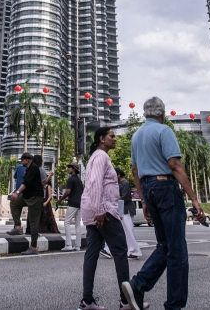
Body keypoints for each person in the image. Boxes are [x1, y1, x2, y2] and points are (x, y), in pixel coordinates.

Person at [123, 96, 205, 310]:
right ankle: (174, 305)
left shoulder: (136, 136)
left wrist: (143, 200)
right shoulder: (164, 131)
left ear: (144, 113)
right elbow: (175, 165)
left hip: (148, 189)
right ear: (162, 113)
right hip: (166, 187)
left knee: (165, 245)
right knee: (177, 250)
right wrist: (194, 199)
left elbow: (135, 170)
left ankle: (138, 285)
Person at [79, 127, 130, 310]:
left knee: (92, 252)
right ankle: (126, 302)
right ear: (102, 138)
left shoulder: (96, 156)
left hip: (94, 209)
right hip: (104, 211)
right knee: (120, 250)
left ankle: (87, 300)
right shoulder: (101, 156)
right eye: (112, 136)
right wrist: (100, 210)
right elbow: (94, 183)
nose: (115, 139)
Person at [9, 151, 42, 255]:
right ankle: (18, 227)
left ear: (27, 160)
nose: (21, 162)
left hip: (35, 198)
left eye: (22, 160)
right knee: (14, 203)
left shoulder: (34, 168)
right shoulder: (27, 169)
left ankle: (34, 246)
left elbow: (26, 182)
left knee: (33, 222)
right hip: (27, 196)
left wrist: (17, 192)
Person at [117, 169, 142, 258]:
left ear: (118, 175)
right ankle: (111, 249)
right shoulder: (118, 184)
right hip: (122, 209)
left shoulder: (125, 183)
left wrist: (116, 198)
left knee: (128, 230)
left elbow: (125, 197)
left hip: (126, 209)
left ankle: (134, 251)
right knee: (123, 230)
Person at [61, 163, 84, 252]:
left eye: (70, 167)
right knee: (77, 224)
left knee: (67, 222)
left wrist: (60, 199)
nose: (68, 169)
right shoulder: (79, 180)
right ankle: (78, 245)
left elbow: (68, 191)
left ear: (73, 169)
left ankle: (68, 244)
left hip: (72, 203)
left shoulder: (71, 179)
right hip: (80, 203)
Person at [6, 156, 28, 236]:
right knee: (16, 205)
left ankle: (17, 227)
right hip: (25, 193)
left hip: (20, 192)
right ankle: (20, 228)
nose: (21, 162)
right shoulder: (28, 168)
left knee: (16, 206)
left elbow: (15, 176)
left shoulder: (19, 167)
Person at [39, 158, 59, 234]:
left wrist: (46, 203)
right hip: (42, 201)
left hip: (46, 203)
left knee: (47, 218)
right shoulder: (42, 185)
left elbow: (50, 196)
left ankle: (46, 230)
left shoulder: (48, 186)